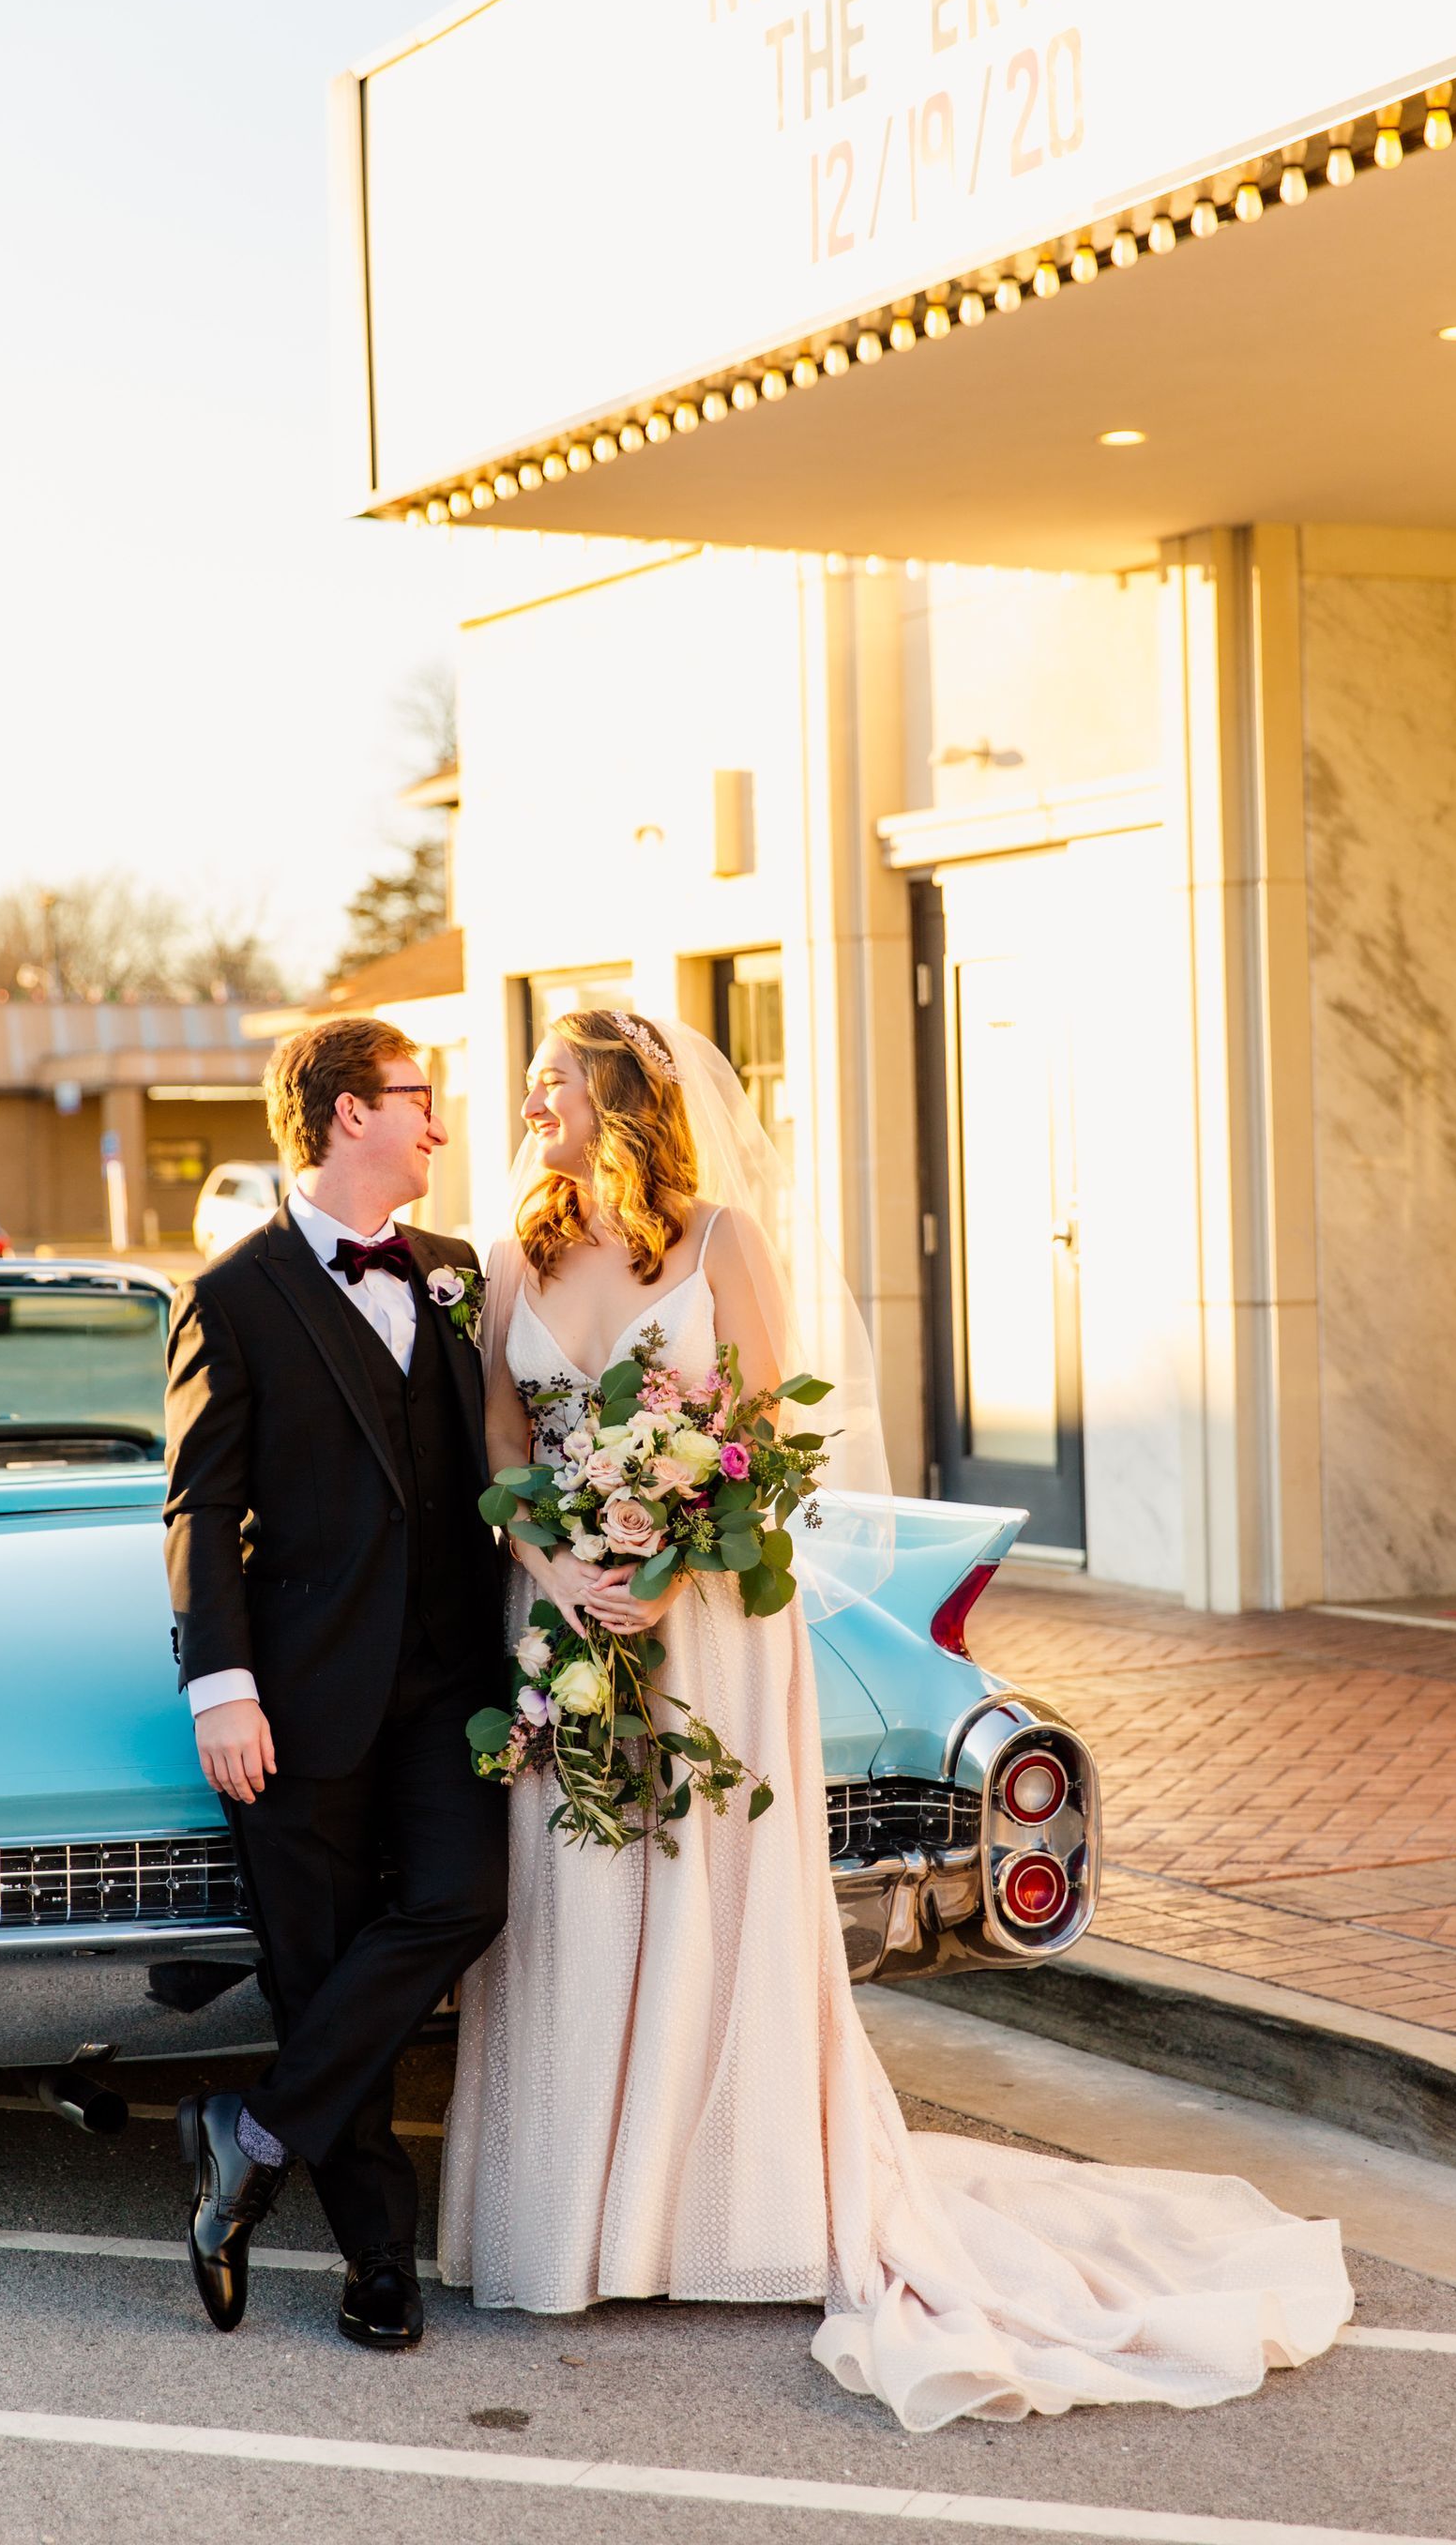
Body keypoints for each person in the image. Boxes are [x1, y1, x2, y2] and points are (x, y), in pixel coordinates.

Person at [439, 1008, 1352, 2431]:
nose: (527, 1100)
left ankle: (706, 2214)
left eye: (551, 1079)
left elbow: (760, 1445)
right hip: (562, 1613)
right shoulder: (519, 1253)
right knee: (576, 1889)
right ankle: (570, 2218)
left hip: (707, 1627)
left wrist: (667, 1558)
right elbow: (500, 1437)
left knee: (699, 1889)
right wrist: (561, 1564)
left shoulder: (723, 1241)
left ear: (616, 1098)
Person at [163, 1015, 506, 2349]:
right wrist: (223, 1687)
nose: (438, 1122)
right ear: (349, 1113)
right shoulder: (234, 1293)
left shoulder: (458, 1271)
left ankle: (243, 2137)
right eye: (420, 1099)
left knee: (463, 1903)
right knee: (319, 1973)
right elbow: (201, 1508)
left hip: (452, 1682)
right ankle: (379, 2264)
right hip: (298, 1694)